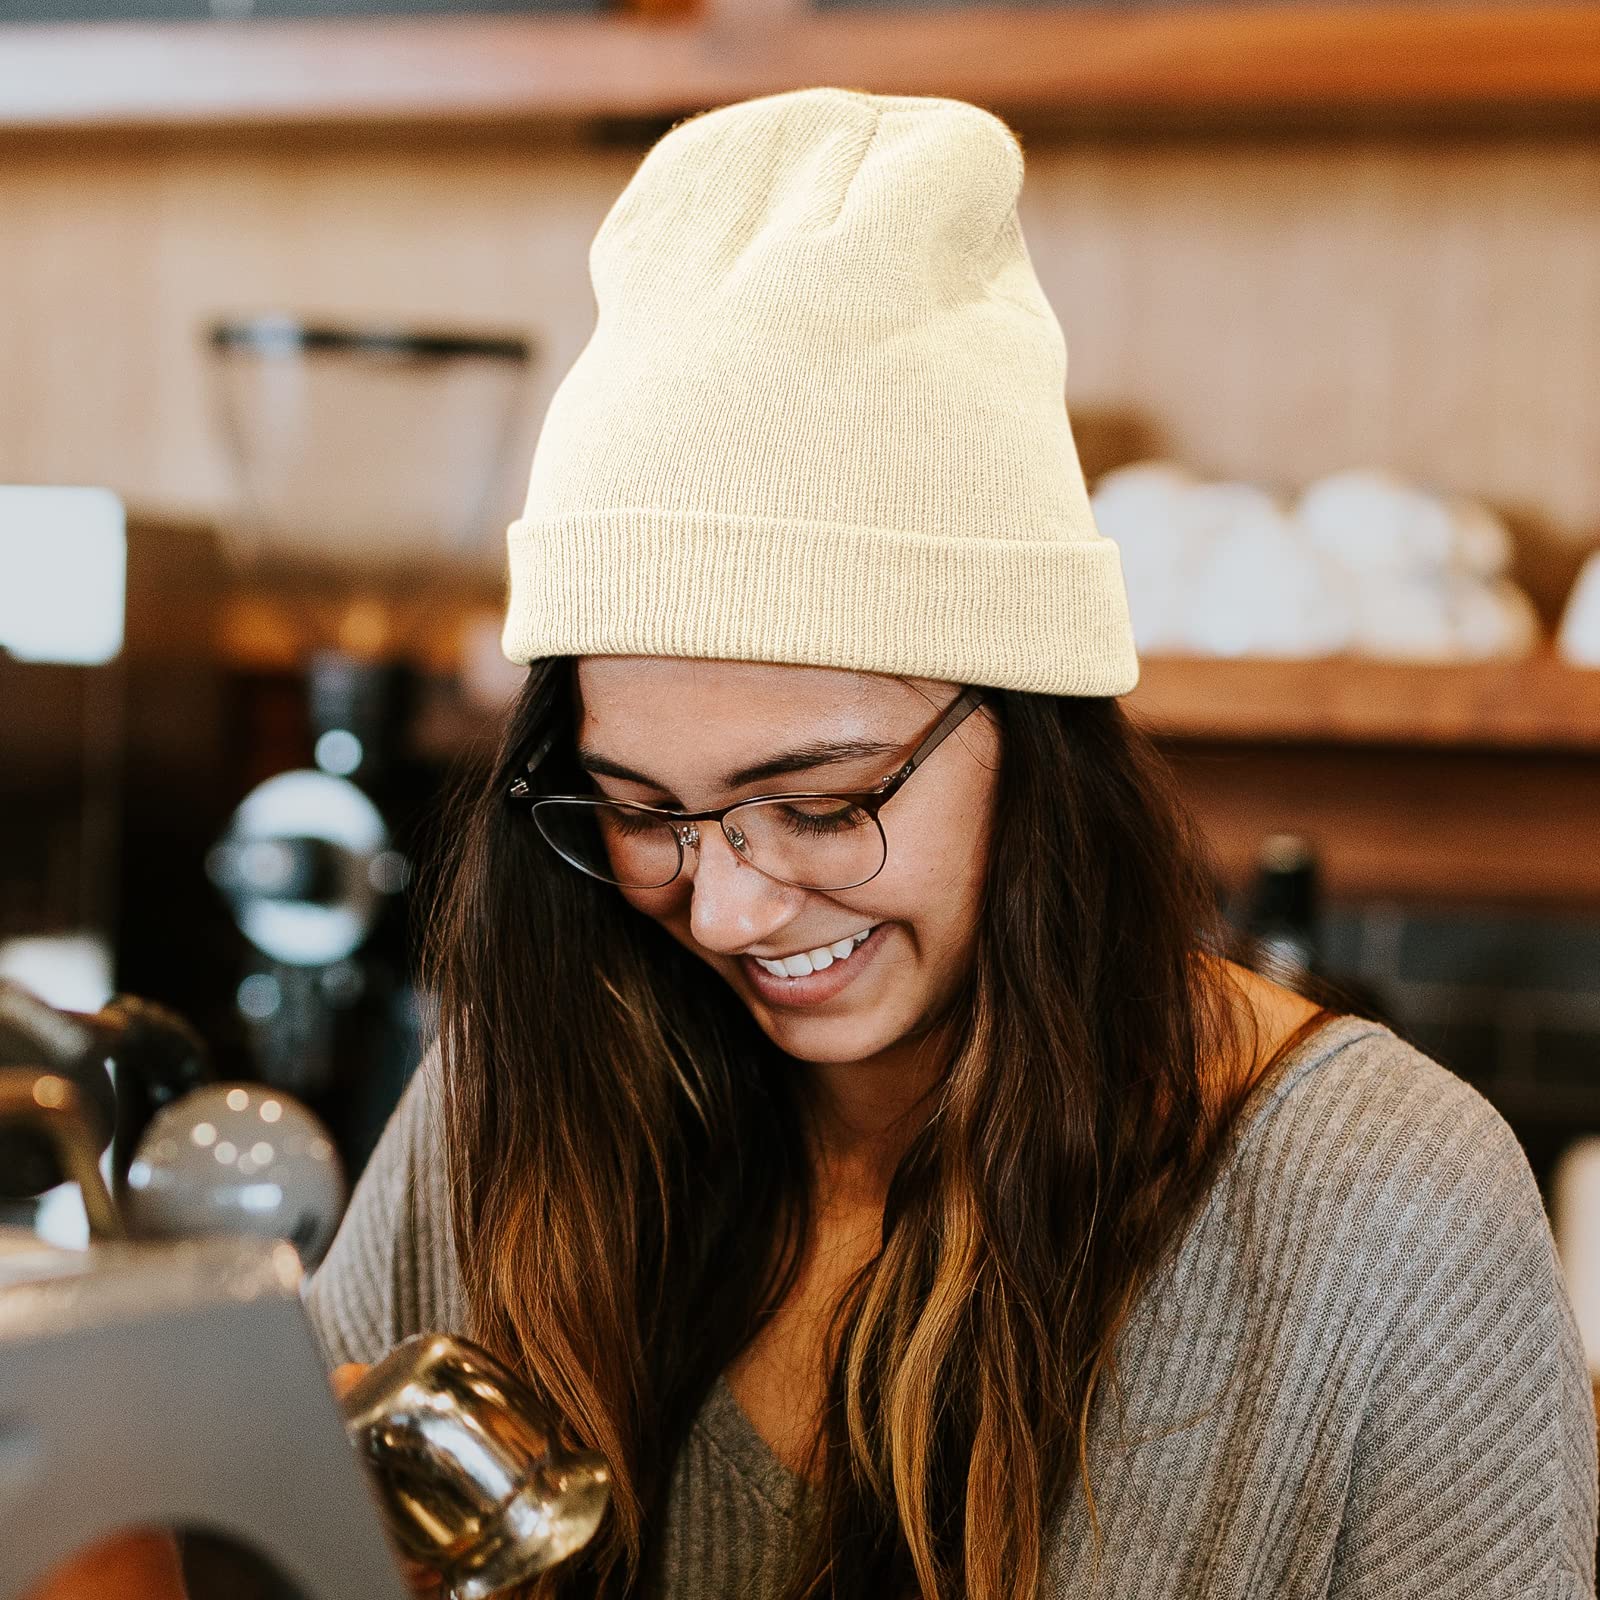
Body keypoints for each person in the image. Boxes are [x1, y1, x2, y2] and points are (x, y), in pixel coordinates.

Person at [305, 87, 1597, 1600]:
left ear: (1032, 736)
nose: (723, 906)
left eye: (824, 798)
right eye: (645, 810)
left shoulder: (1383, 1212)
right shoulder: (514, 1104)